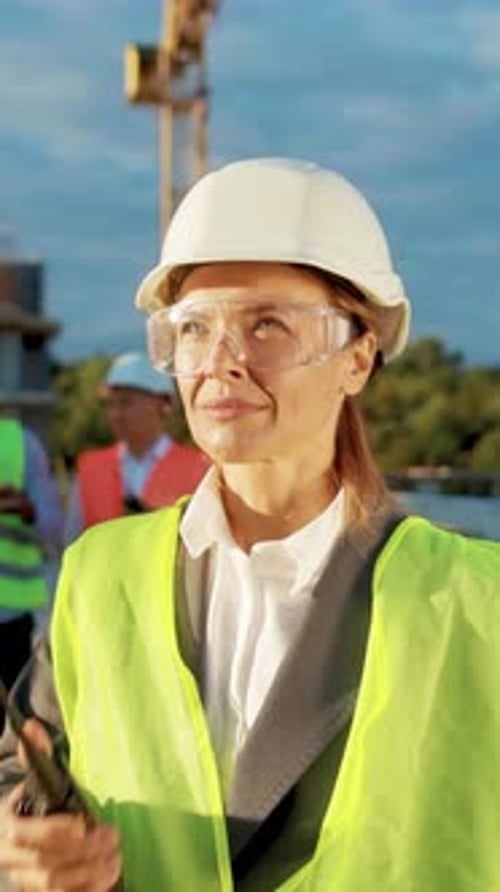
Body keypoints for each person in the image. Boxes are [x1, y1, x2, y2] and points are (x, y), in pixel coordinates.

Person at [0, 156, 499, 892]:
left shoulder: (477, 601)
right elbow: (23, 764)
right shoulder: (98, 575)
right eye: (195, 328)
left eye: (268, 324)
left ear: (358, 356)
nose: (220, 363)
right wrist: (20, 836)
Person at [64, 350, 209, 543]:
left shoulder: (200, 469)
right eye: (111, 404)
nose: (115, 414)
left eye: (126, 403)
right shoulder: (90, 468)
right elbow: (72, 544)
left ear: (162, 404)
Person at [0, 416, 62, 729]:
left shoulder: (21, 445)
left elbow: (53, 528)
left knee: (14, 733)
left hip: (10, 622)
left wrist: (25, 510)